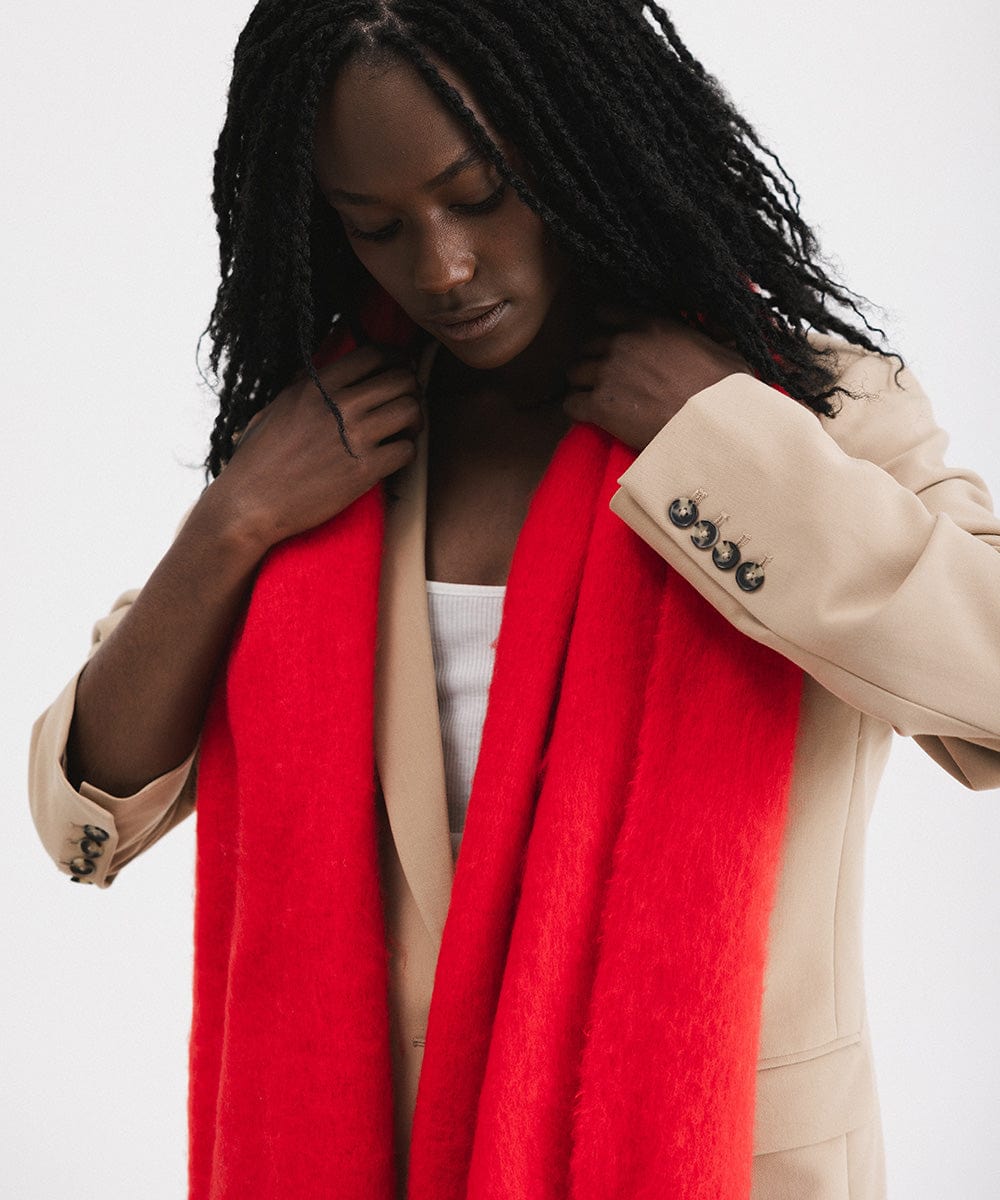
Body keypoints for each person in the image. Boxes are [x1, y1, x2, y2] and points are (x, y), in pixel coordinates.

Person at [27, 2, 1000, 1198]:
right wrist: (231, 521)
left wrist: (720, 444)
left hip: (712, 1162)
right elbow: (87, 812)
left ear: (583, 138)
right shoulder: (335, 443)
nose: (442, 267)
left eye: (481, 193)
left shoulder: (804, 404)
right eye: (377, 226)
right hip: (361, 1159)